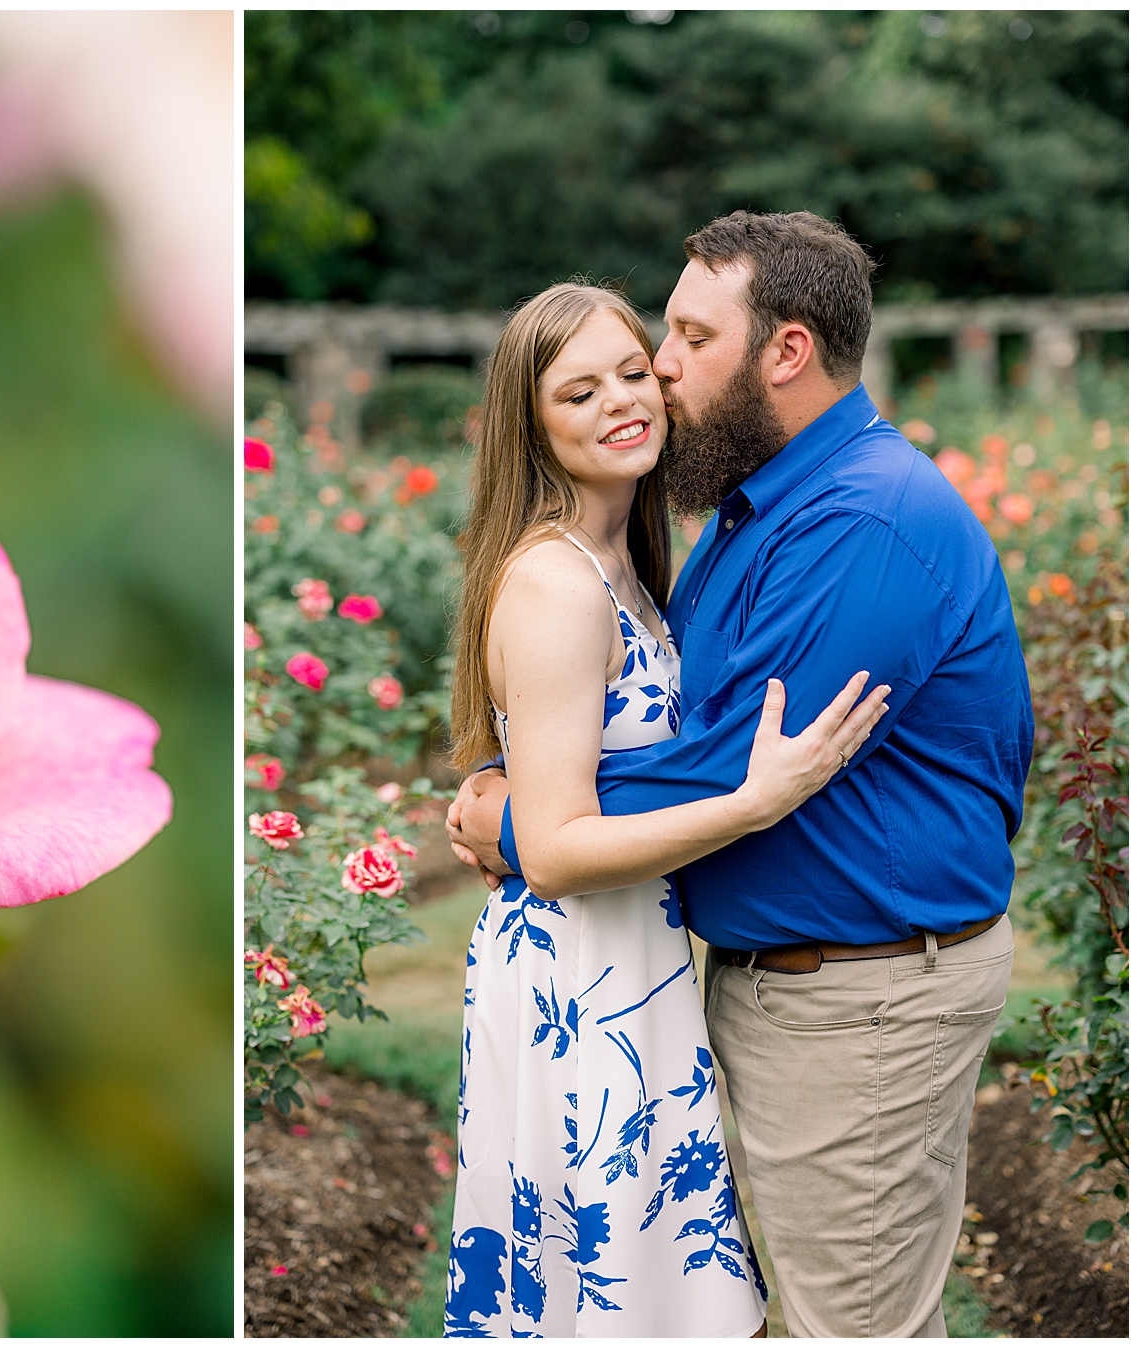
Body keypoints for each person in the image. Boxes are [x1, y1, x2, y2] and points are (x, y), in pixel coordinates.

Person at [450, 213, 1032, 1338]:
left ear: (786, 352)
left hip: (857, 995)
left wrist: (516, 823)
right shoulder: (754, 511)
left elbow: (716, 764)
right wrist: (519, 786)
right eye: (603, 376)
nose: (658, 371)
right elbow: (673, 731)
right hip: (722, 978)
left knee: (844, 1320)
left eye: (680, 338)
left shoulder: (860, 520)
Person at [440, 278, 888, 1338]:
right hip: (576, 977)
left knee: (650, 1287)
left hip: (631, 962)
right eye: (577, 391)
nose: (620, 403)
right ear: (532, 425)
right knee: (612, 1292)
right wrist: (756, 799)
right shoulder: (555, 585)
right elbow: (553, 850)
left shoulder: (628, 571)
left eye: (632, 374)